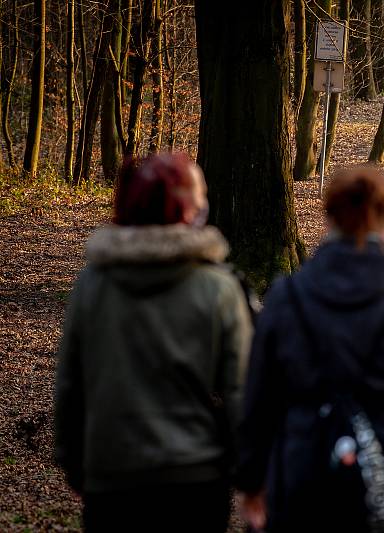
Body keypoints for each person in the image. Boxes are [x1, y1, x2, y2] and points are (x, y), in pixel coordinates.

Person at [236, 166, 384, 533]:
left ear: (329, 216)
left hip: (303, 475)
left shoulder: (287, 300)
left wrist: (251, 481)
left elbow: (259, 399)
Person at [54, 153, 253, 533]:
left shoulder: (93, 285)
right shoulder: (218, 289)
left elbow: (71, 383)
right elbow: (240, 389)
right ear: (190, 208)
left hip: (112, 473)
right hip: (195, 476)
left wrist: (74, 462)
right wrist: (248, 472)